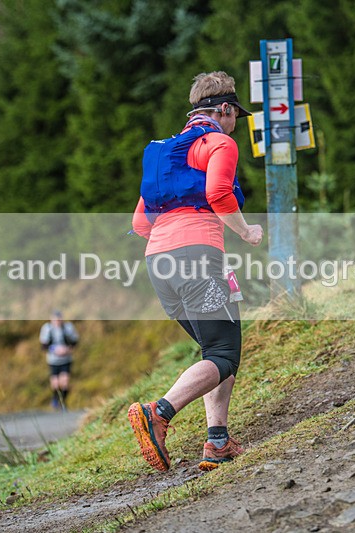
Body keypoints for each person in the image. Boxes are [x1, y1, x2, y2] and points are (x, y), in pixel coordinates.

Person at [128, 71, 263, 472]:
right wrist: (246, 231)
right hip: (197, 257)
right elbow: (218, 193)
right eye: (235, 115)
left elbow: (140, 223)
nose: (235, 123)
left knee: (216, 350)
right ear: (225, 109)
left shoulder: (162, 152)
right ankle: (159, 412)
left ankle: (217, 441)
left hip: (159, 263)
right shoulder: (219, 143)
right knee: (224, 353)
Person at [39, 311, 79, 410]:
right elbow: (43, 345)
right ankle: (55, 399)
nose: (57, 322)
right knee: (55, 383)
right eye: (55, 320)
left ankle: (63, 402)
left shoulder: (68, 328)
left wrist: (68, 349)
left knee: (65, 381)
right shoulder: (47, 328)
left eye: (59, 319)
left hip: (66, 359)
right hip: (53, 360)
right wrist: (55, 350)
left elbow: (75, 341)